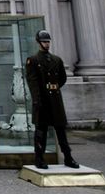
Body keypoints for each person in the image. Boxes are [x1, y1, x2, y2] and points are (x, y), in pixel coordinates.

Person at [25, 29, 79, 169]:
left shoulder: (57, 60)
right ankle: (39, 158)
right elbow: (33, 82)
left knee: (61, 130)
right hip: (42, 100)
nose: (46, 44)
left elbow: (62, 78)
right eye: (44, 42)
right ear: (39, 43)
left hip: (55, 99)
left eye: (48, 42)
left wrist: (53, 88)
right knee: (41, 131)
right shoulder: (33, 60)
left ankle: (68, 157)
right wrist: (36, 99)